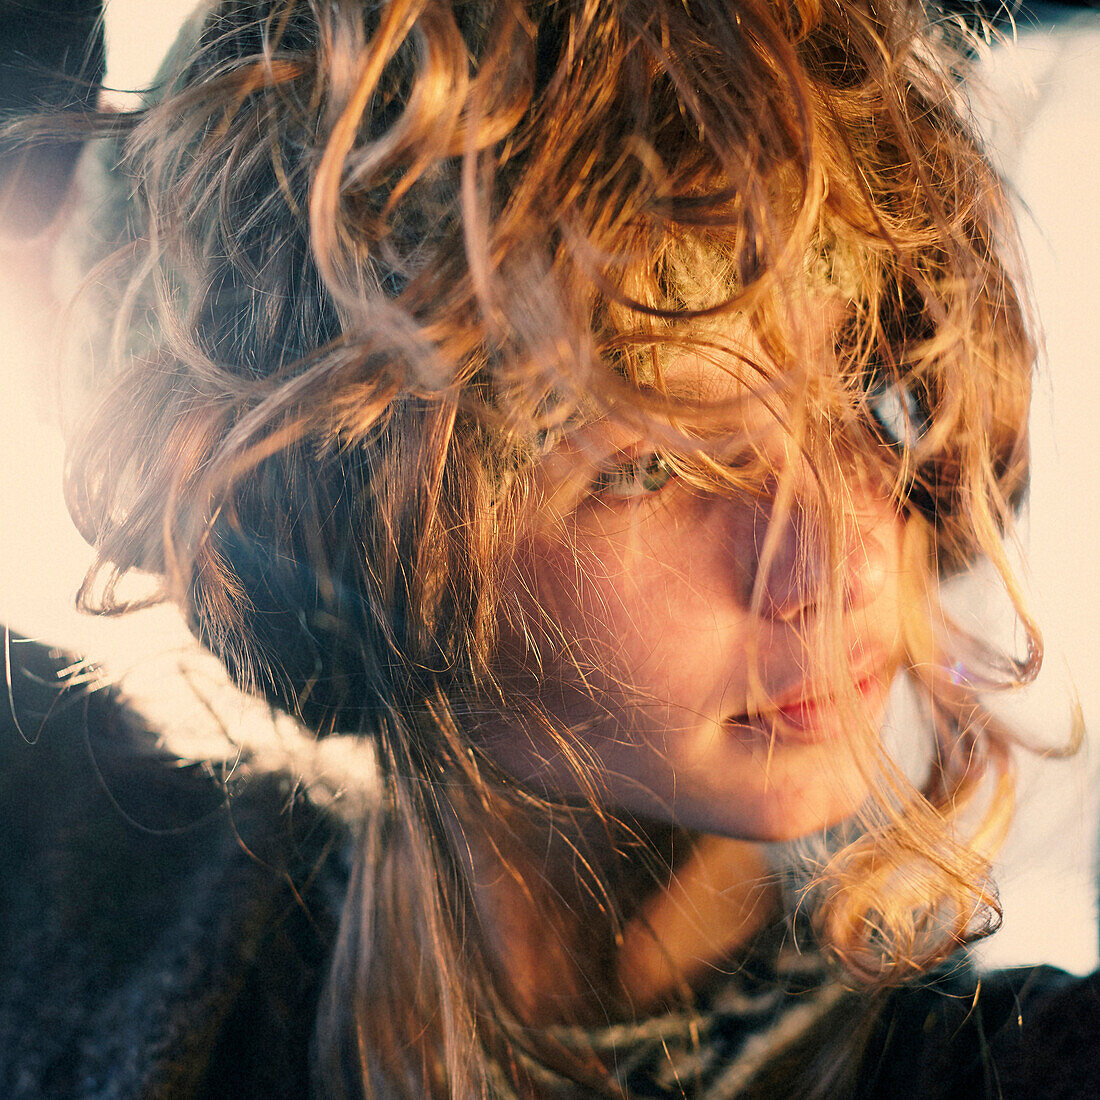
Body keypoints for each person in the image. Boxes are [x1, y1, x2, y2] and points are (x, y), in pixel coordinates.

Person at [4, 0, 1099, 1096]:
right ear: (348, 529)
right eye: (647, 466)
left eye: (862, 389)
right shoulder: (68, 871)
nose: (847, 563)